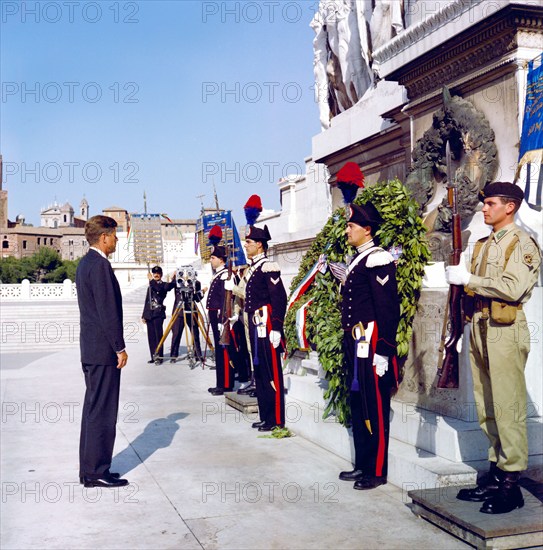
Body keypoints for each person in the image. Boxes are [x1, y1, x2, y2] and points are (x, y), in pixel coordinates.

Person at [445, 182, 541, 514]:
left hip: (505, 329)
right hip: (480, 327)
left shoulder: (523, 244)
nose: (484, 209)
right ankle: (495, 473)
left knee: (507, 406)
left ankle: (512, 483)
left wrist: (468, 280)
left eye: (490, 203)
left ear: (510, 207)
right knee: (486, 405)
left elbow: (512, 289)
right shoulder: (484, 244)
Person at [338, 202, 400, 490]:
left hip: (372, 341)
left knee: (374, 405)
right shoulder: (359, 259)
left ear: (367, 230)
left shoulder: (378, 259)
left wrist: (385, 350)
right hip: (356, 342)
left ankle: (376, 471)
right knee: (358, 402)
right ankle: (362, 464)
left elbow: (387, 308)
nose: (346, 230)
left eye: (351, 226)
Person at [76, 215, 129, 488]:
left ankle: (90, 469)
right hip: (103, 351)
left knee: (93, 410)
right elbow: (108, 313)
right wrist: (119, 347)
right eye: (115, 235)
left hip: (92, 349)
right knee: (103, 412)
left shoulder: (86, 263)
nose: (117, 240)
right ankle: (97, 470)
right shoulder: (100, 267)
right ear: (104, 237)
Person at [243, 225, 287, 431]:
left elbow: (279, 298)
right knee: (260, 371)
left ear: (259, 244)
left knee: (271, 372)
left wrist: (277, 327)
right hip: (255, 325)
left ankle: (276, 418)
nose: (246, 245)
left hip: (267, 326)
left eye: (249, 242)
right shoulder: (254, 268)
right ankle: (265, 415)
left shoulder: (268, 267)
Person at [206, 245, 235, 395]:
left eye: (213, 258)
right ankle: (220, 382)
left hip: (220, 317)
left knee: (223, 349)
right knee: (219, 349)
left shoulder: (225, 275)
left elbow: (226, 300)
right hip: (214, 315)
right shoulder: (218, 274)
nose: (211, 260)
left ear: (221, 260)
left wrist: (222, 319)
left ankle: (225, 384)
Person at [169, 267, 204, 363]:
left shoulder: (196, 283)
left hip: (191, 309)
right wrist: (173, 278)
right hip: (179, 310)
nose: (186, 275)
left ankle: (198, 354)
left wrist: (201, 293)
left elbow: (197, 298)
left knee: (195, 333)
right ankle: (173, 355)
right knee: (176, 333)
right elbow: (168, 287)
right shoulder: (177, 282)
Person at [141, 266, 174, 364]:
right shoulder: (150, 285)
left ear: (161, 275)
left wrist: (174, 278)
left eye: (158, 273)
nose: (156, 275)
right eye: (154, 273)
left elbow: (158, 289)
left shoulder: (163, 285)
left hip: (158, 313)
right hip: (149, 314)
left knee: (158, 335)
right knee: (151, 337)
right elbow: (147, 300)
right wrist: (144, 315)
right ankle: (153, 356)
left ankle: (159, 357)